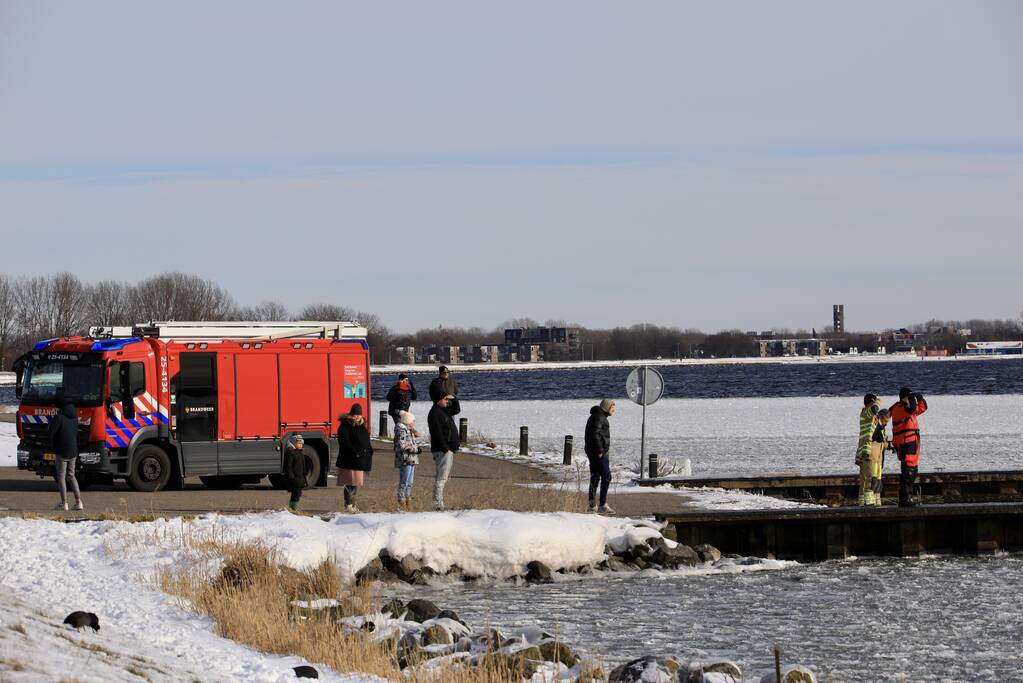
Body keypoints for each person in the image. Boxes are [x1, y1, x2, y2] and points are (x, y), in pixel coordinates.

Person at [889, 387, 928, 507]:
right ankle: (904, 499)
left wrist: (920, 398)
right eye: (909, 397)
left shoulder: (907, 408)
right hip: (905, 444)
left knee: (913, 471)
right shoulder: (899, 408)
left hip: (913, 443)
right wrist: (911, 399)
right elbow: (911, 409)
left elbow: (922, 408)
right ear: (904, 397)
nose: (913, 400)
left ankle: (908, 497)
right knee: (908, 472)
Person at [336, 404, 373, 512]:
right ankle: (348, 505)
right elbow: (344, 441)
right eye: (355, 414)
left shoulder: (362, 425)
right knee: (350, 482)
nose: (357, 417)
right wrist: (354, 452)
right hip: (350, 459)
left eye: (359, 414)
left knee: (356, 483)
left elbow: (366, 441)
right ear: (351, 415)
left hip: (360, 459)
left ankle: (352, 504)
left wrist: (370, 450)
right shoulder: (345, 425)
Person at [48, 399, 83, 511]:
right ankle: (78, 502)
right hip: (73, 450)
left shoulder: (59, 417)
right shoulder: (74, 418)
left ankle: (64, 503)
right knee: (71, 476)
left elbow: (51, 433)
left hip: (62, 451)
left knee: (61, 477)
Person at [427, 394, 460, 510]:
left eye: (447, 399)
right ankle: (438, 504)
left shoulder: (444, 411)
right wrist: (445, 448)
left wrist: (453, 398)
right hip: (442, 450)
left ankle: (437, 502)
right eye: (445, 399)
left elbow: (457, 409)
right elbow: (437, 433)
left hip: (447, 449)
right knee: (442, 477)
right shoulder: (435, 413)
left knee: (443, 477)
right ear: (438, 400)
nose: (447, 401)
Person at [584, 398, 615, 514]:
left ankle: (592, 506)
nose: (614, 410)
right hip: (597, 452)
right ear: (606, 408)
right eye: (612, 408)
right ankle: (602, 504)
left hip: (593, 451)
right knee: (606, 476)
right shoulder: (599, 417)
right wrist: (600, 451)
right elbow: (594, 435)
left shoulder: (598, 416)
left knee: (595, 477)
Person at [393, 410, 422, 511]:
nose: (414, 422)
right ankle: (401, 500)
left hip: (412, 458)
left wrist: (413, 430)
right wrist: (415, 449)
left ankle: (408, 499)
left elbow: (418, 435)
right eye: (413, 421)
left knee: (410, 482)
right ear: (408, 421)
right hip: (405, 459)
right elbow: (401, 445)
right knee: (404, 481)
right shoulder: (401, 430)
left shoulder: (409, 429)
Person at [856, 393, 881, 506]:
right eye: (873, 402)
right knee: (869, 475)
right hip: (866, 448)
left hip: (865, 447)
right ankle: (869, 502)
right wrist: (876, 402)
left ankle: (862, 501)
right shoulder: (866, 412)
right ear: (870, 403)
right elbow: (875, 408)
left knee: (865, 477)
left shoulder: (869, 414)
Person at [283, 434, 310, 511]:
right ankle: (293, 508)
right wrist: (291, 477)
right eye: (299, 443)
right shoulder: (291, 452)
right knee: (296, 493)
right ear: (294, 443)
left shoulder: (299, 452)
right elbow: (288, 466)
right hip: (294, 478)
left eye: (302, 444)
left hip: (300, 477)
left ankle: (293, 507)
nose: (301, 445)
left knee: (298, 493)